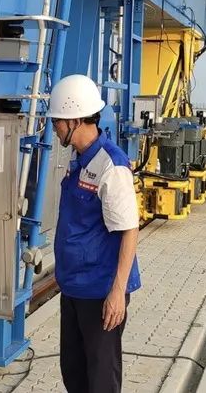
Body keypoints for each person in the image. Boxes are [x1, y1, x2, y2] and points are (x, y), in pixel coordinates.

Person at [46, 74, 141, 393]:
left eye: (57, 122)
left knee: (101, 380)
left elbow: (129, 230)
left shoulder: (111, 165)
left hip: (100, 291)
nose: (55, 128)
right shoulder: (79, 158)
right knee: (74, 372)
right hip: (74, 287)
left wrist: (117, 294)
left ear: (74, 120)